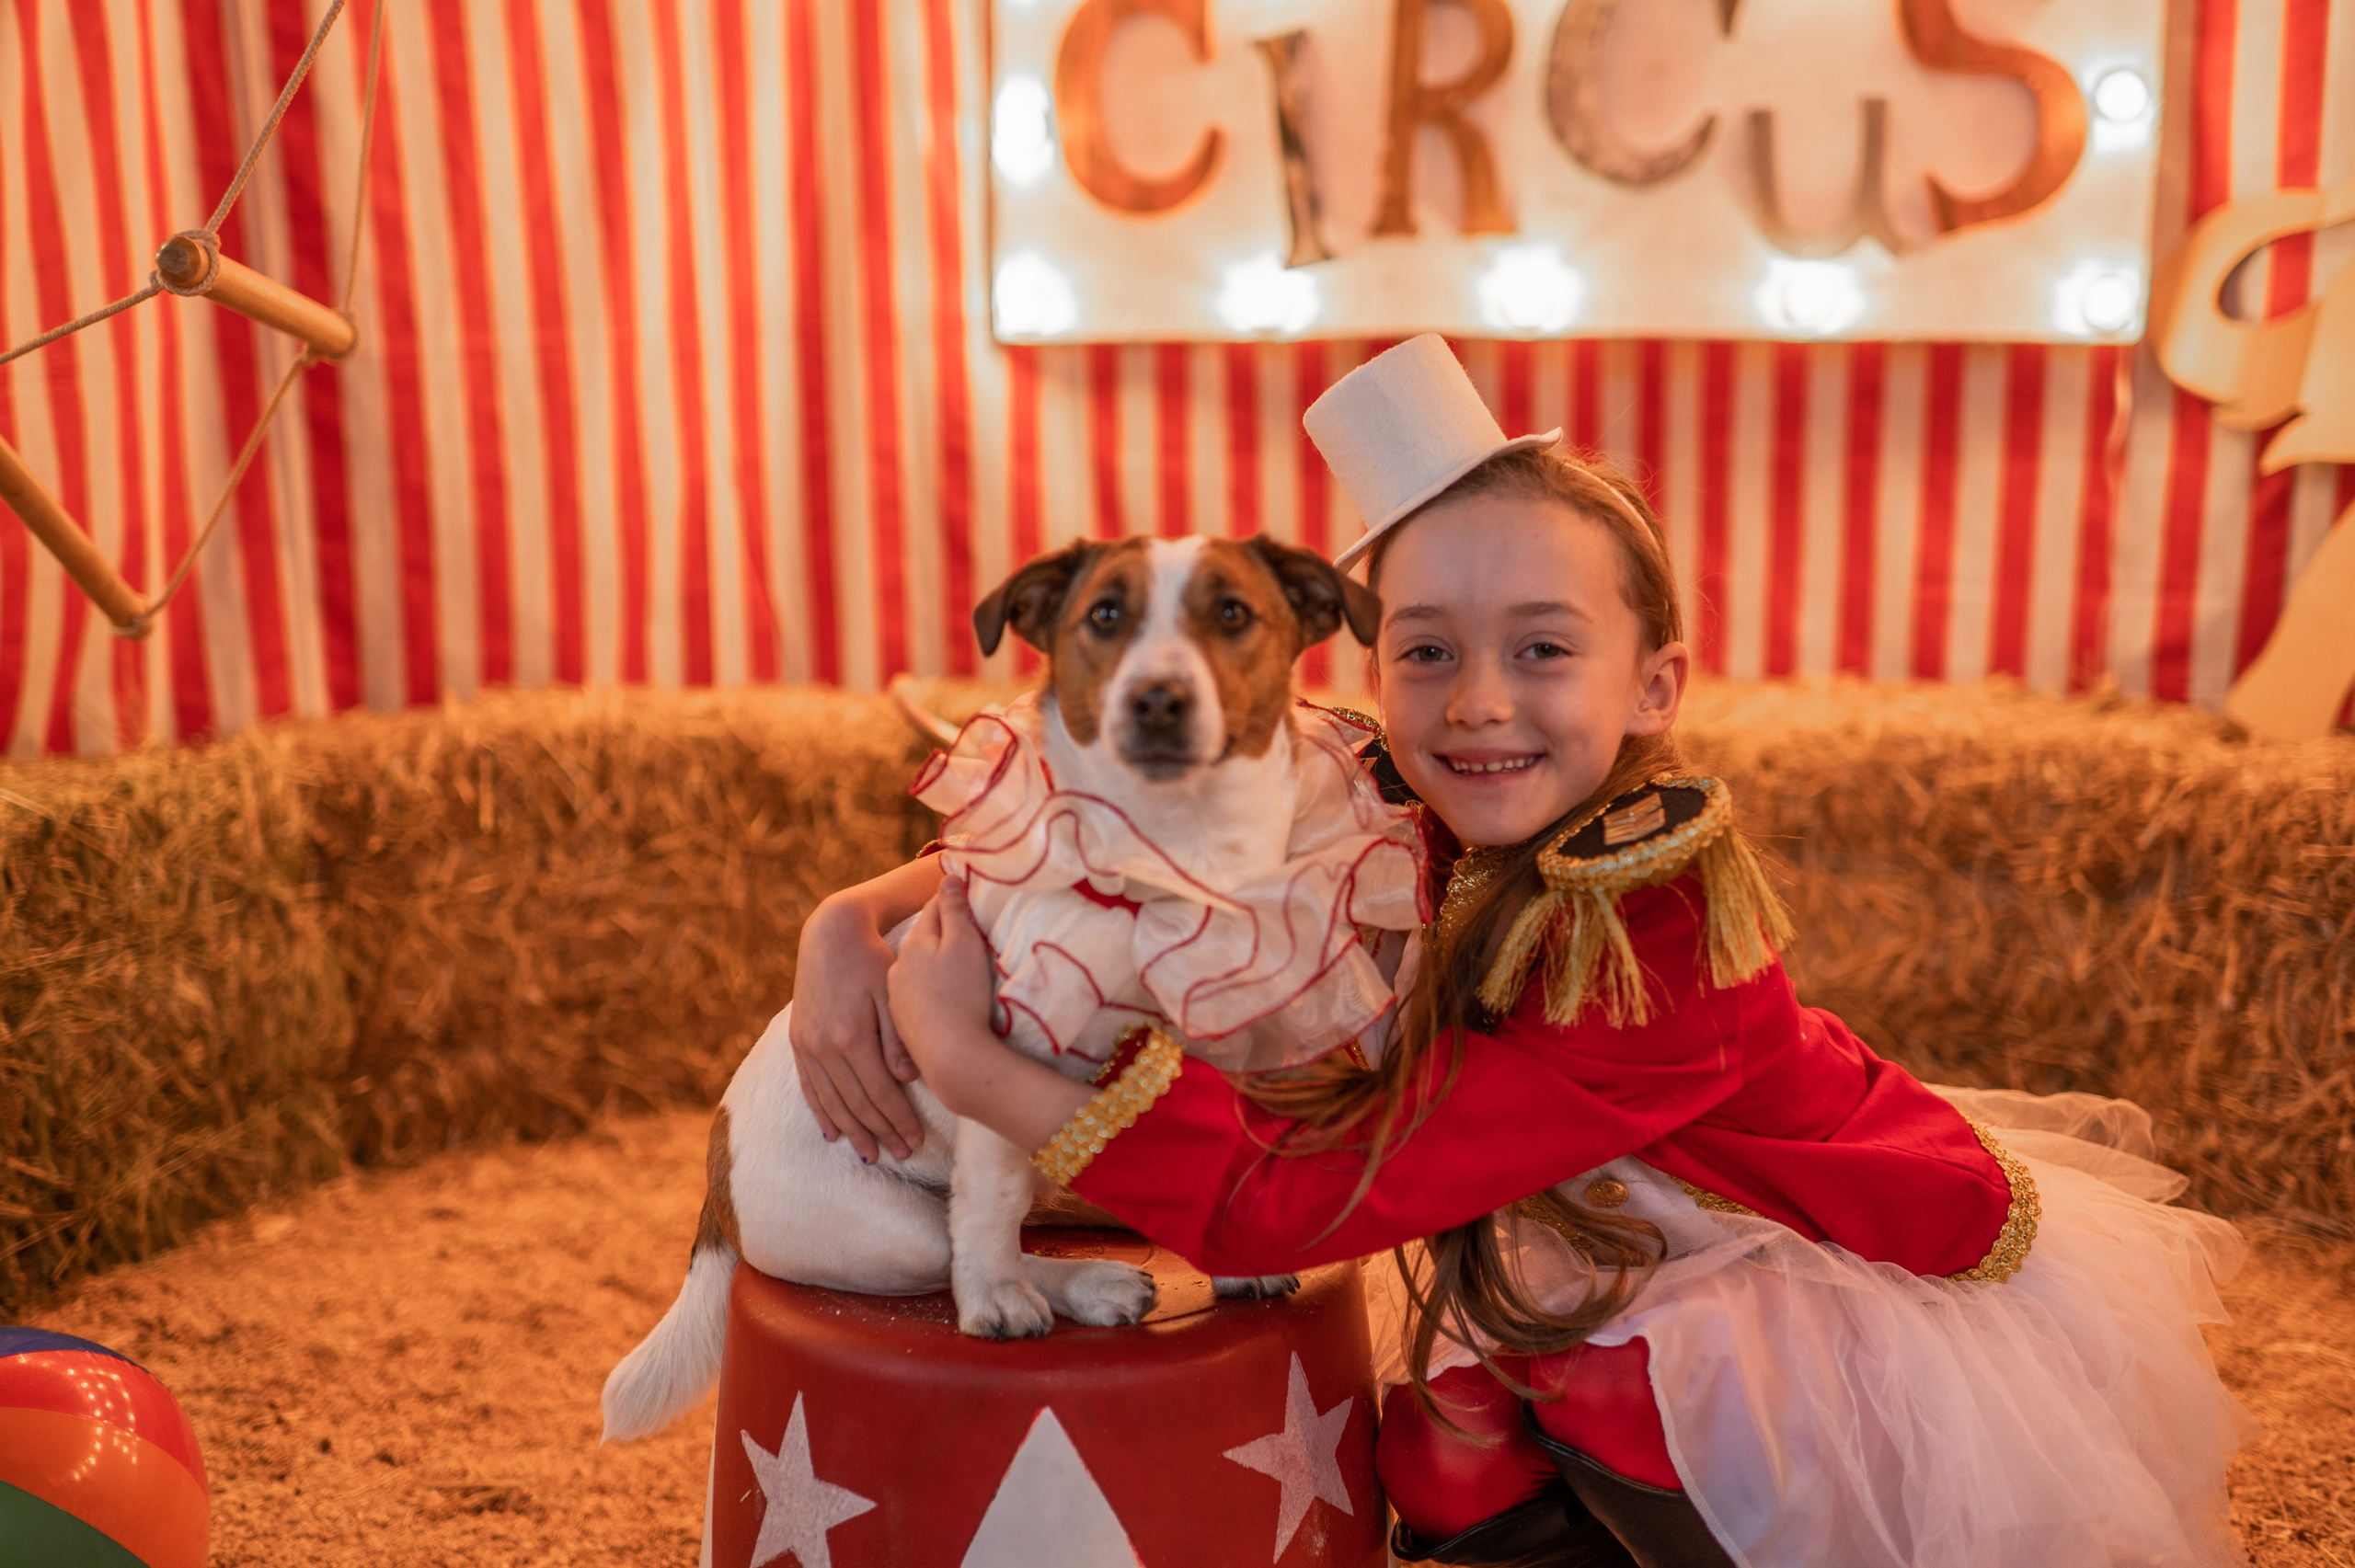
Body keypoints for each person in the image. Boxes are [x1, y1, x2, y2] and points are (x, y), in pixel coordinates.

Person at [811, 337, 2252, 1568]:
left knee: (1647, 1391)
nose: (1478, 702)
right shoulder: (1379, 787)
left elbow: (1296, 1207)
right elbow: (1125, 828)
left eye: (1545, 648)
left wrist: (965, 1057)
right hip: (1577, 1238)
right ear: (1363, 674)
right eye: (1427, 649)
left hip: (1804, 1264)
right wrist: (856, 919)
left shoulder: (1655, 944)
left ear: (1655, 684)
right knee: (1442, 1472)